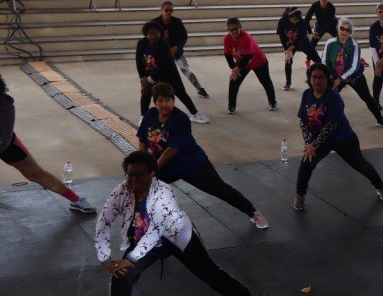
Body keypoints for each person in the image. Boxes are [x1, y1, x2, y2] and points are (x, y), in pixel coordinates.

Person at [94, 151, 252, 295]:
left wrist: (130, 259)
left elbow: (155, 231)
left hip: (178, 237)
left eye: (140, 175)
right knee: (121, 277)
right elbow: (104, 221)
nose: (134, 180)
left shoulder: (163, 193)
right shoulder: (122, 191)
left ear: (152, 173)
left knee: (212, 276)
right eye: (130, 175)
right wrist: (105, 257)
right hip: (143, 240)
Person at [137, 82, 268, 229]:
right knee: (142, 187)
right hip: (164, 165)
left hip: (191, 164)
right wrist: (142, 166)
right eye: (160, 101)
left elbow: (172, 150)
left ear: (174, 100)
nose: (164, 104)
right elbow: (143, 140)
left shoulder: (181, 119)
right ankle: (140, 227)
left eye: (168, 100)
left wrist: (152, 170)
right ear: (154, 102)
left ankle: (253, 212)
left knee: (220, 189)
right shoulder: (150, 115)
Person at [293, 63, 383, 211]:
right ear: (309, 79)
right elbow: (303, 121)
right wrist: (309, 144)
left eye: (320, 77)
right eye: (313, 77)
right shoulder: (307, 94)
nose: (317, 81)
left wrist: (314, 144)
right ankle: (300, 197)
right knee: (306, 164)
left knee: (360, 164)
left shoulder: (333, 97)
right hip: (319, 140)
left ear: (327, 79)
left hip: (342, 138)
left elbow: (331, 126)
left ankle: (381, 187)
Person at [0, 74, 96, 213]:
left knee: (36, 173)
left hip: (6, 144)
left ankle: (76, 200)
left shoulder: (6, 106)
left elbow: (4, 139)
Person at [323, 17, 383, 129]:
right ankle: (325, 123)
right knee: (328, 98)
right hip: (336, 75)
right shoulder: (330, 43)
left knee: (367, 98)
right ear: (337, 28)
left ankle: (380, 120)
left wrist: (339, 80)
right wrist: (331, 78)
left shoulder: (354, 45)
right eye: (342, 28)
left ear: (350, 33)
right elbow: (325, 62)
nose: (344, 32)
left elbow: (354, 66)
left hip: (354, 76)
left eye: (348, 30)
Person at [135, 21, 209, 124]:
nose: (153, 36)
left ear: (160, 33)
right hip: (150, 72)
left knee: (180, 92)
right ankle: (143, 117)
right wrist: (143, 79)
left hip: (169, 72)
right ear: (146, 35)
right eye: (150, 33)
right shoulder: (141, 44)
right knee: (146, 92)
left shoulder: (163, 44)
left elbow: (163, 66)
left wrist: (150, 80)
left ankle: (195, 114)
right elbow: (139, 62)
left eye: (156, 33)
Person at [152, 1, 209, 98]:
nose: (169, 12)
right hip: (161, 54)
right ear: (161, 10)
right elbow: (151, 39)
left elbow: (184, 37)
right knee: (158, 74)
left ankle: (199, 89)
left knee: (187, 71)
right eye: (166, 10)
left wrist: (177, 47)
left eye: (171, 10)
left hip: (176, 53)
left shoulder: (177, 22)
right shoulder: (154, 23)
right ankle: (157, 93)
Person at [223, 17, 277, 114]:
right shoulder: (227, 38)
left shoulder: (246, 37)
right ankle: (231, 106)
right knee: (233, 81)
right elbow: (227, 54)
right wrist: (233, 68)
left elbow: (248, 56)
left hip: (258, 61)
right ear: (228, 29)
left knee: (265, 81)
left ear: (240, 27)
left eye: (237, 28)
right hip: (242, 63)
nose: (235, 31)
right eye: (232, 29)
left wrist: (237, 69)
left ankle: (272, 102)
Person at [277, 6, 321, 91]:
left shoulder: (301, 21)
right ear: (289, 17)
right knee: (288, 60)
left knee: (316, 58)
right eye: (294, 20)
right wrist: (287, 49)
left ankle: (327, 77)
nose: (295, 21)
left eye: (297, 19)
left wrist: (293, 47)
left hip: (302, 41)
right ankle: (288, 83)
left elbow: (301, 37)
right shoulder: (282, 21)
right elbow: (282, 36)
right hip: (289, 42)